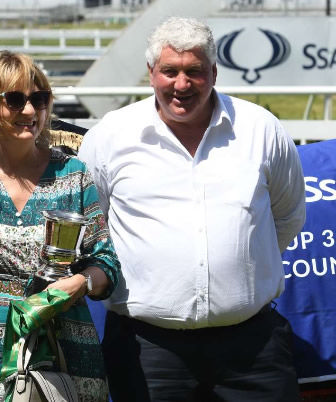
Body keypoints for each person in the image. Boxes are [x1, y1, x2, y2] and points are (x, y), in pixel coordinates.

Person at [78, 17, 306, 402]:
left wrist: (238, 273)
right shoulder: (110, 137)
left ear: (214, 72)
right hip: (146, 350)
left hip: (253, 349)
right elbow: (90, 228)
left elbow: (287, 217)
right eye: (170, 71)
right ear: (151, 73)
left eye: (194, 72)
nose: (181, 85)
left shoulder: (261, 129)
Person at [0, 50, 121, 401]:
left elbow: (107, 263)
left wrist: (80, 283)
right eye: (16, 100)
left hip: (67, 353)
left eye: (39, 99)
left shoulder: (73, 175)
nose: (31, 112)